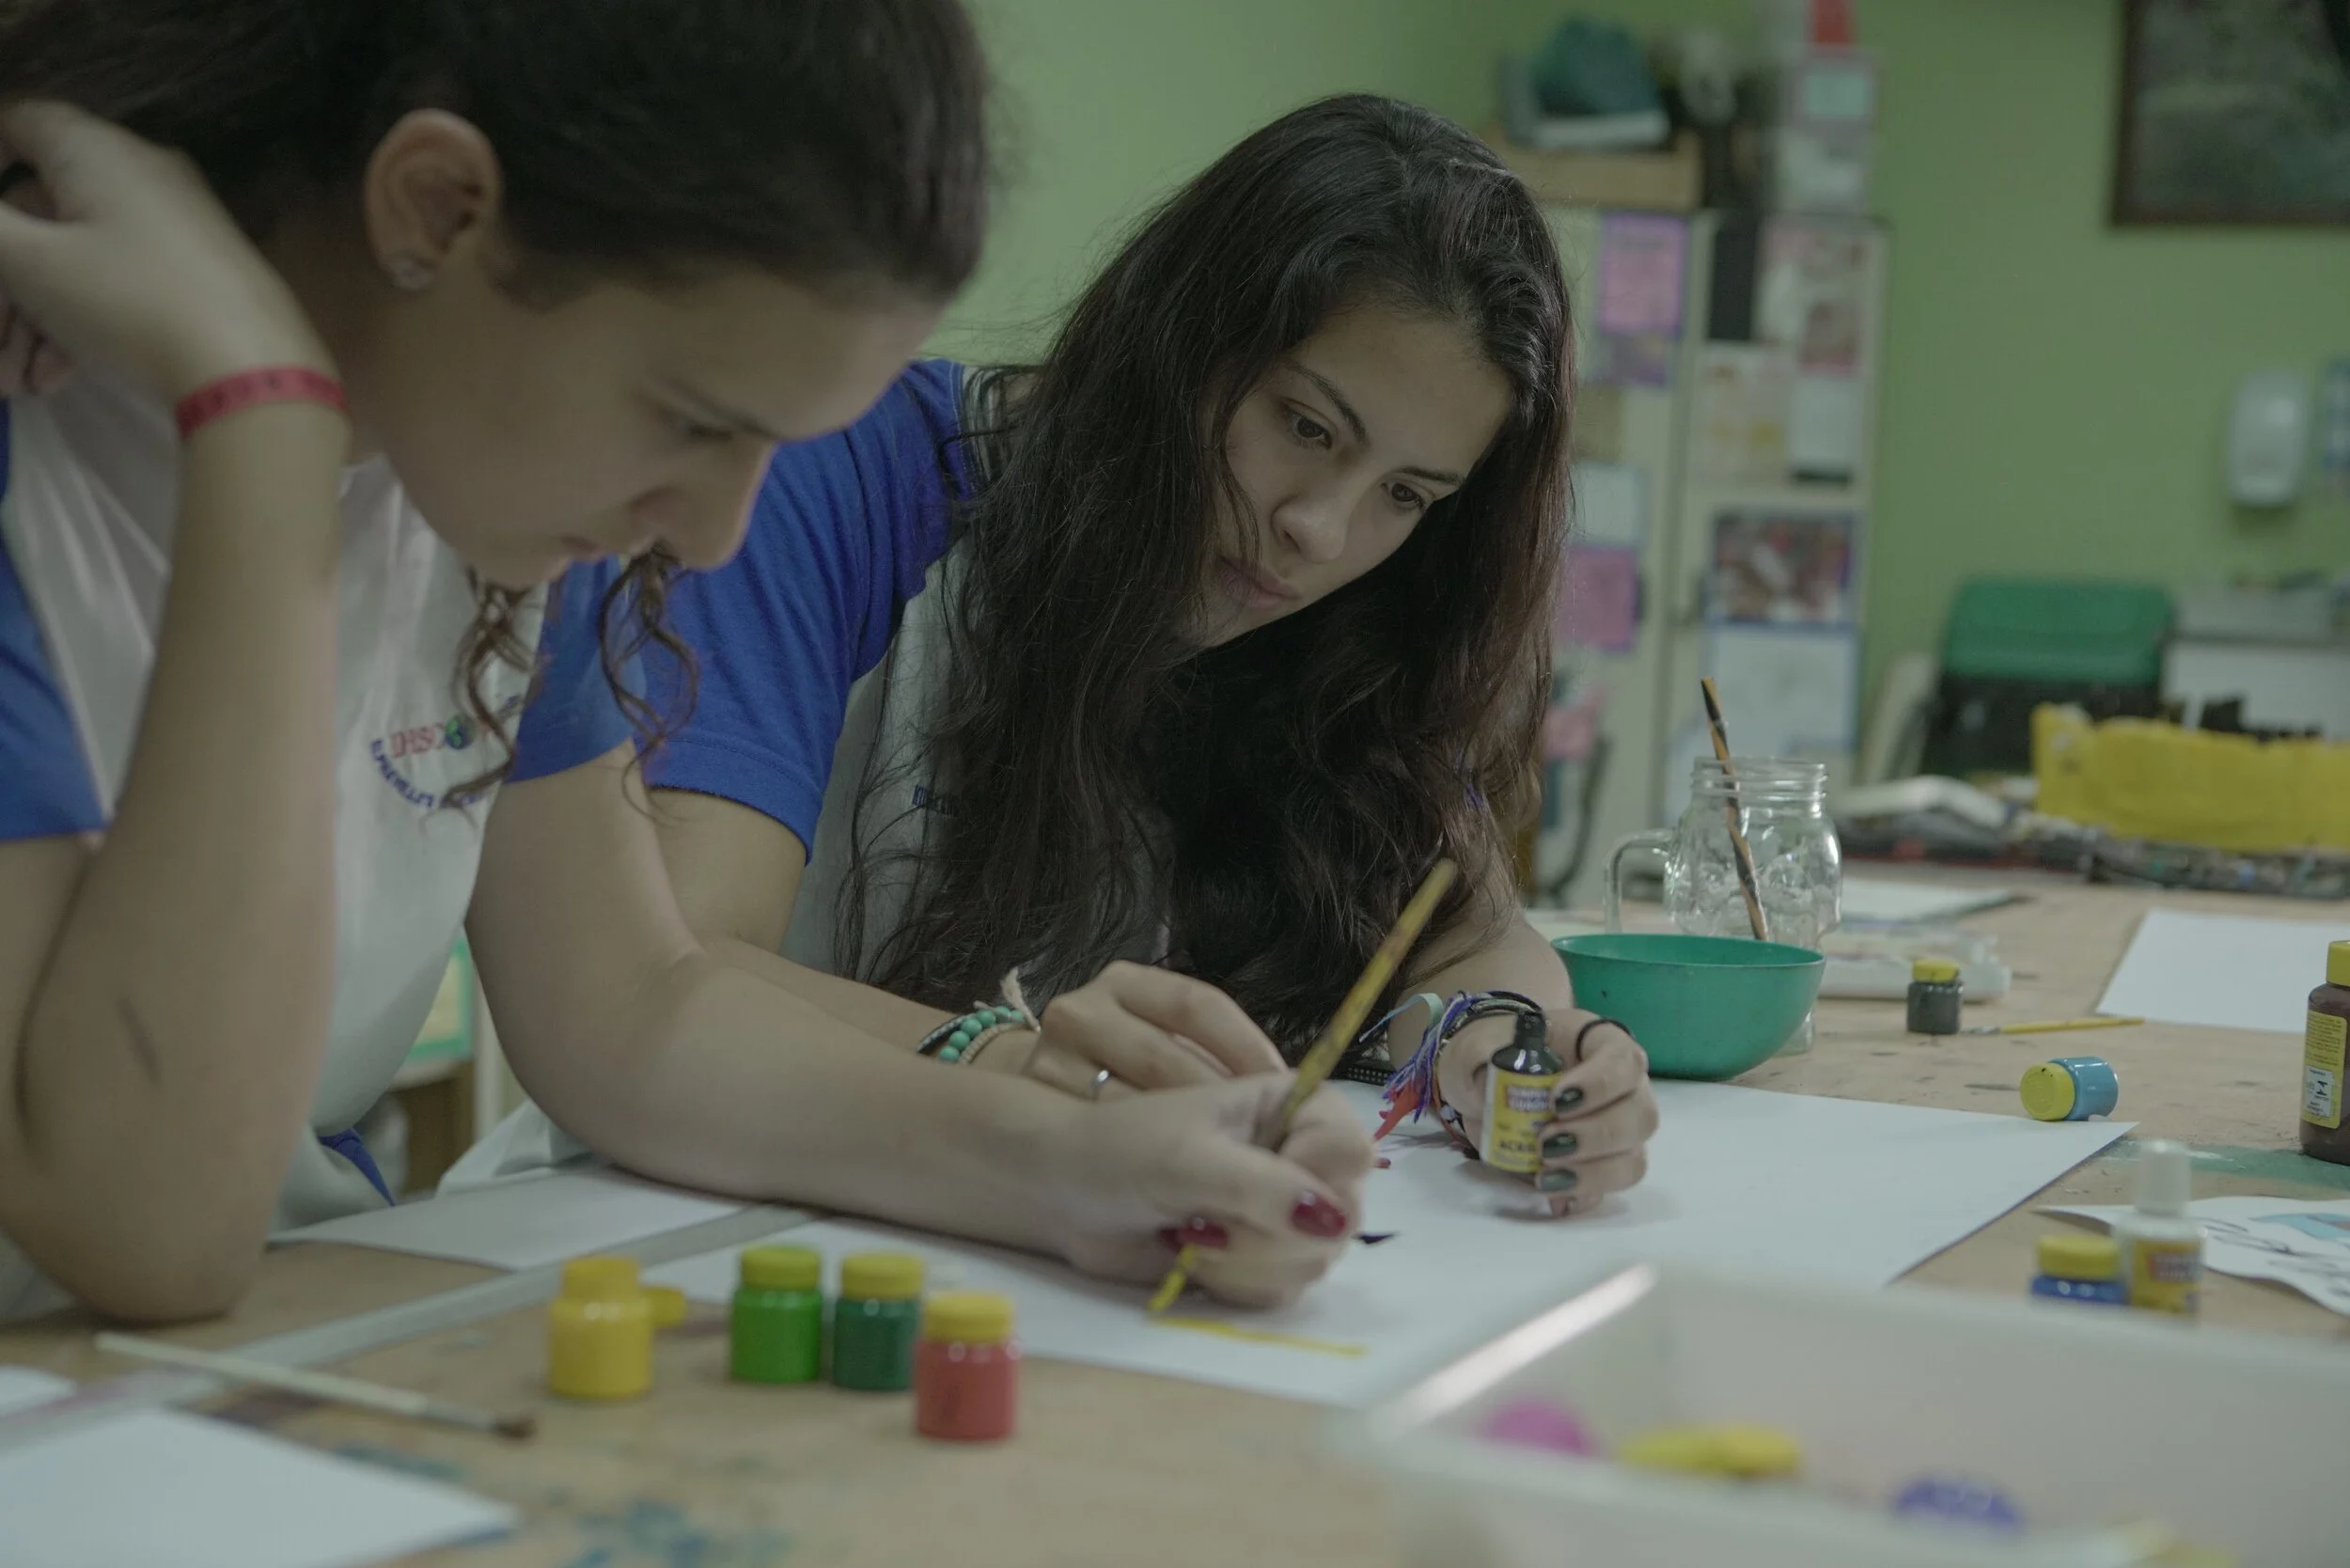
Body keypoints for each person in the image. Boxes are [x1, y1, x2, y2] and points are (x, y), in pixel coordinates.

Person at [0, 0, 1368, 1325]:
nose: (713, 539)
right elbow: (154, 1231)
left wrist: (1065, 1165)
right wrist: (265, 437)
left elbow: (632, 1008)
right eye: (691, 419)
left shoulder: (490, 480)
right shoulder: (190, 457)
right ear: (436, 209)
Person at [638, 95, 1660, 1220]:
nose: (1322, 533)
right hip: (697, 1218)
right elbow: (676, 961)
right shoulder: (840, 484)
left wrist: (1496, 1039)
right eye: (1307, 427)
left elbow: (1468, 941)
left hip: (1043, 1257)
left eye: (1407, 495)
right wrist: (1016, 1071)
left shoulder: (1339, 632)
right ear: (1179, 336)